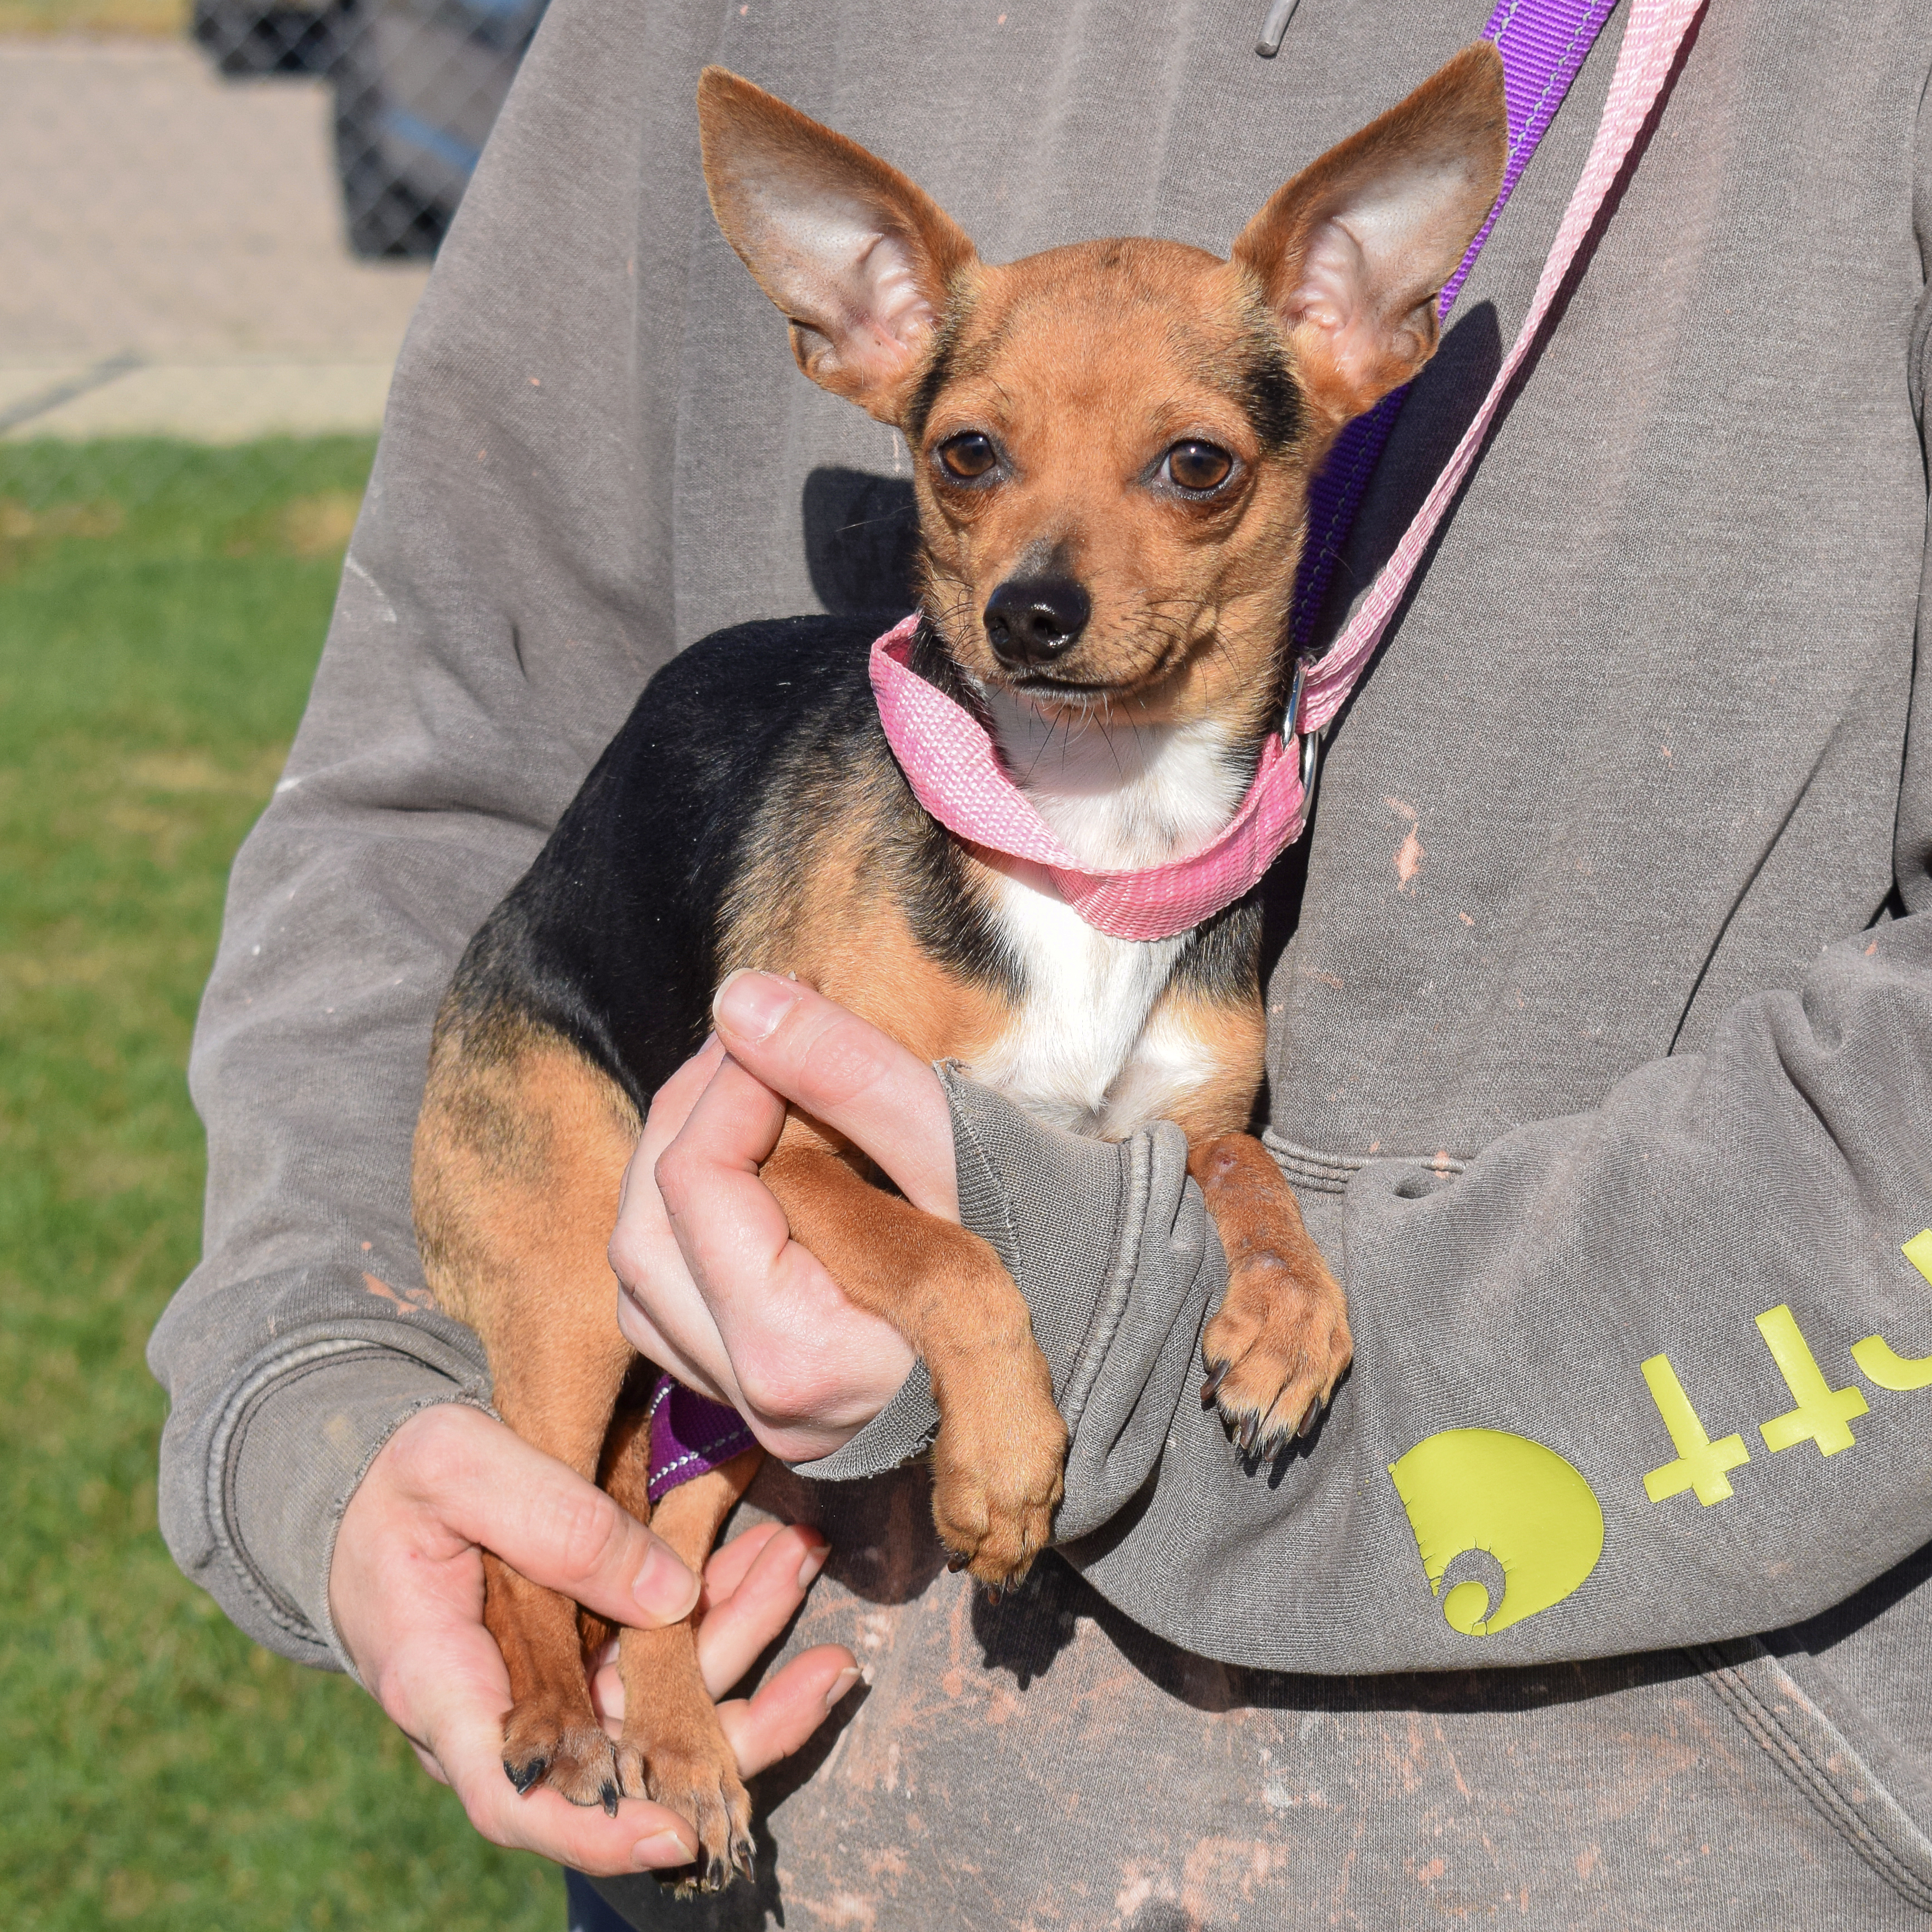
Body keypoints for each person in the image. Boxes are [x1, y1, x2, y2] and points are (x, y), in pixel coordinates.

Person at [150, 0, 1932, 1925]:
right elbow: (442, 760)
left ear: (1364, 334)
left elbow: (1200, 1154)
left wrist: (1217, 1274)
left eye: (1189, 470)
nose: (1043, 570)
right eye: (978, 462)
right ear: (865, 353)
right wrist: (328, 1392)